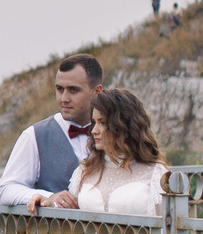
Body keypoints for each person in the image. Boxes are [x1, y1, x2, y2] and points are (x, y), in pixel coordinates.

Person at [32, 87, 168, 215]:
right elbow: (71, 214)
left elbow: (166, 230)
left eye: (102, 122)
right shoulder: (84, 171)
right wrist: (48, 203)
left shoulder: (155, 173)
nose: (94, 131)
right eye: (94, 122)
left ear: (123, 125)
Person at [0, 54, 101, 205]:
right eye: (59, 89)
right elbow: (6, 189)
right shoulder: (35, 136)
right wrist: (48, 196)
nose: (64, 98)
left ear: (97, 91)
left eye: (73, 90)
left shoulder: (115, 132)